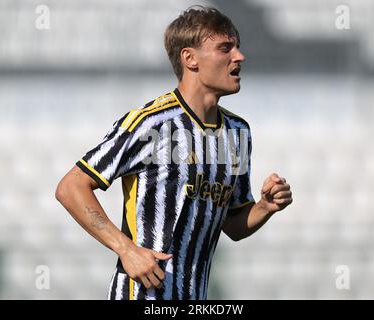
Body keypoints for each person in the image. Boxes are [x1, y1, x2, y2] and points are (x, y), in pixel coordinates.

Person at [55, 6, 292, 300]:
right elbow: (71, 187)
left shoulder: (237, 132)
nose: (239, 56)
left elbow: (233, 223)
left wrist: (265, 207)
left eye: (238, 47)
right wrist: (126, 249)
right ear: (190, 58)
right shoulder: (151, 124)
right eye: (225, 48)